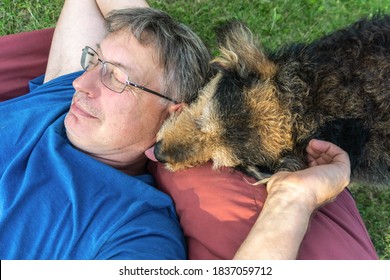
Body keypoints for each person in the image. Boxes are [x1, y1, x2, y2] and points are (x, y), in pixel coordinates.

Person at [0, 0, 377, 259]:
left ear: (172, 113)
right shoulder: (64, 97)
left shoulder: (131, 226)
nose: (81, 85)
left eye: (117, 77)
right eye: (94, 59)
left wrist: (293, 198)